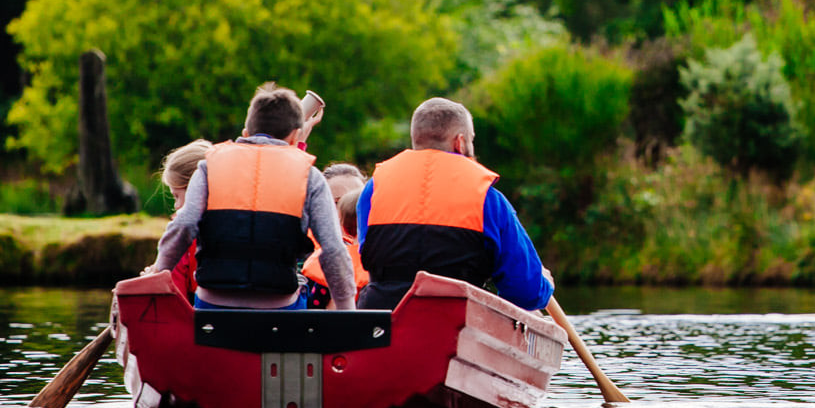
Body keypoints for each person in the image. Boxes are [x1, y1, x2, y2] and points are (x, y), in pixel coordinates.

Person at [148, 84, 355, 311]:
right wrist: (347, 309)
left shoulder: (208, 167)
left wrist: (157, 273)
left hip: (213, 304)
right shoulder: (310, 176)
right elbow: (333, 249)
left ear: (246, 134)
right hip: (279, 306)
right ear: (296, 137)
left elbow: (185, 224)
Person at [355, 97, 554, 312]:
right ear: (460, 142)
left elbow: (367, 257)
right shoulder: (487, 197)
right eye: (471, 140)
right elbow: (525, 293)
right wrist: (544, 284)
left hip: (382, 316)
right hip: (457, 317)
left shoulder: (374, 188)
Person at [302, 163, 369, 303]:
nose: (349, 209)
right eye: (337, 202)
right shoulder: (300, 253)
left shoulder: (384, 257)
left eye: (357, 201)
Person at [158, 139, 213, 299]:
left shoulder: (181, 236)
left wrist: (154, 277)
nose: (175, 206)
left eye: (177, 196)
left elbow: (174, 291)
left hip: (199, 309)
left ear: (194, 189)